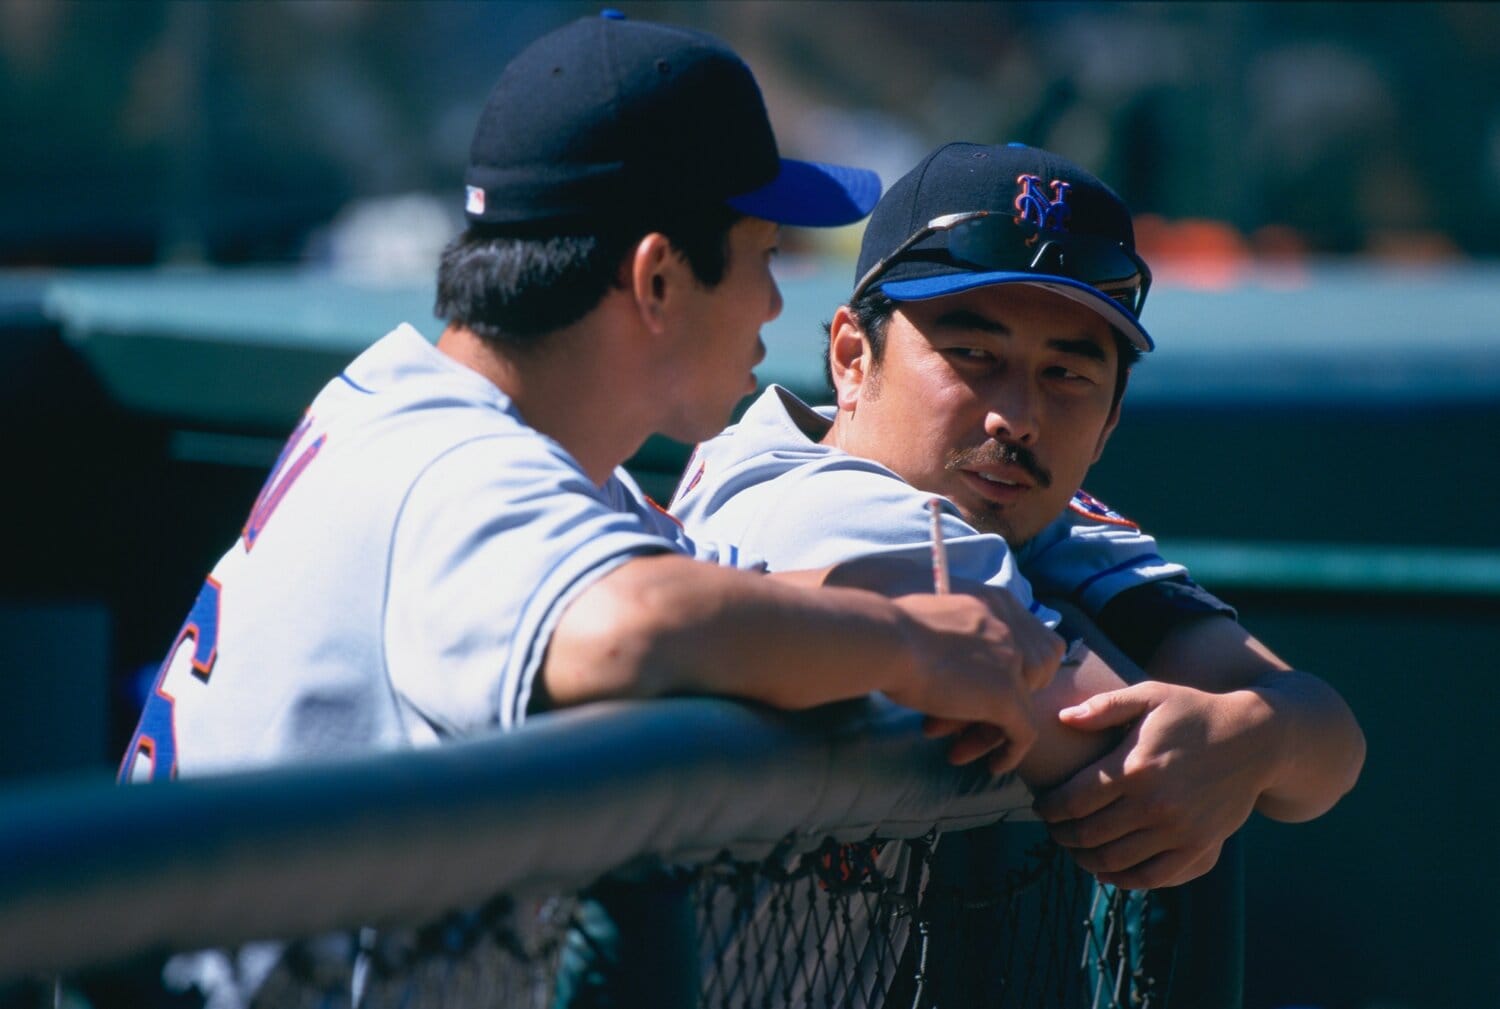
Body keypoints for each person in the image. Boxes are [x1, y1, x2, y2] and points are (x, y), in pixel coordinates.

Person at [117, 19, 1071, 795]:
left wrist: (949, 615)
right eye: (762, 259)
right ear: (657, 279)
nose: (777, 306)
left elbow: (724, 589)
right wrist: (904, 644)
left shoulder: (455, 421)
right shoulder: (445, 465)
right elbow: (630, 630)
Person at [672, 141, 1366, 890]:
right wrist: (1229, 739)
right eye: (972, 353)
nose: (1018, 417)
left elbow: (1327, 744)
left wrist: (1259, 735)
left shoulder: (1013, 508)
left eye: (1065, 373)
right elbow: (1126, 753)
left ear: (1109, 423)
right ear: (850, 357)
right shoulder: (823, 506)